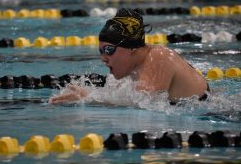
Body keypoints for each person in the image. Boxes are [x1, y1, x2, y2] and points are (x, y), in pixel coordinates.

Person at [49, 8, 209, 105]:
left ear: (132, 48)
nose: (103, 58)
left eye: (109, 50)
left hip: (209, 113)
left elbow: (144, 102)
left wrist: (90, 97)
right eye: (101, 51)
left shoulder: (159, 56)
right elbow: (124, 97)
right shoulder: (132, 67)